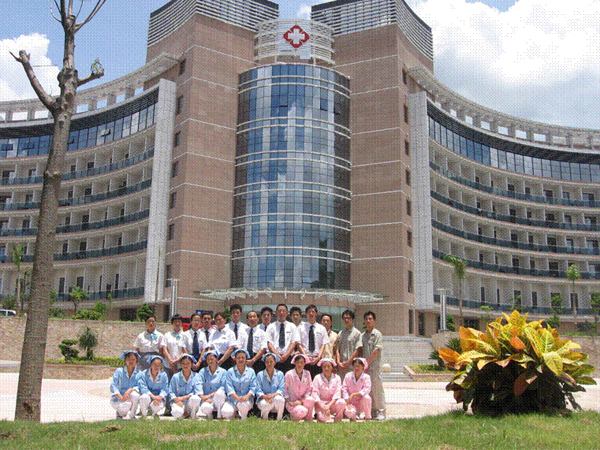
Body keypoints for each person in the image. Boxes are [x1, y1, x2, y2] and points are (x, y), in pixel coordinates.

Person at [350, 311, 385, 420]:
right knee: (366, 390)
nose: (368, 321)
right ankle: (370, 412)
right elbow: (359, 349)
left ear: (374, 321)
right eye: (366, 319)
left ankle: (381, 411)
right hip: (364, 368)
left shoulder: (377, 334)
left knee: (377, 389)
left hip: (374, 367)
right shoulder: (362, 336)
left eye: (370, 319)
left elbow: (376, 350)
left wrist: (367, 363)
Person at [222, 349, 257, 420]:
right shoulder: (230, 371)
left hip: (246, 400)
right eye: (238, 358)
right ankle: (234, 415)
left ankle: (243, 418)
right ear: (235, 359)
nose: (241, 360)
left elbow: (253, 387)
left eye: (243, 357)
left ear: (246, 359)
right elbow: (229, 388)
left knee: (243, 405)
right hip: (233, 400)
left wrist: (247, 396)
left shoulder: (251, 371)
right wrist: (237, 398)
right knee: (225, 412)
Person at [297, 304, 329, 377]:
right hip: (304, 360)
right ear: (306, 314)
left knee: (317, 379)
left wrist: (318, 357)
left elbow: (323, 344)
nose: (311, 314)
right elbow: (298, 344)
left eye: (313, 312)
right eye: (309, 312)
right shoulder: (301, 327)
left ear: (316, 313)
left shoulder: (321, 328)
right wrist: (305, 356)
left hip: (317, 359)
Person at [267, 303, 299, 373]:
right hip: (274, 358)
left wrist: (286, 355)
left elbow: (294, 342)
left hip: (288, 358)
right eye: (279, 311)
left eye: (283, 311)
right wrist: (277, 355)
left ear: (287, 313)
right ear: (276, 313)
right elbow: (269, 342)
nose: (281, 313)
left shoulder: (292, 326)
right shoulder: (271, 326)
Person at [109, 350, 141, 420]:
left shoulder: (139, 373)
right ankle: (120, 414)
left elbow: (140, 386)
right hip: (118, 398)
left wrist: (130, 390)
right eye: (128, 359)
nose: (131, 361)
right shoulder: (119, 371)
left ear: (136, 360)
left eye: (133, 359)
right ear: (125, 360)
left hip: (130, 396)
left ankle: (132, 415)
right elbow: (113, 385)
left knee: (136, 395)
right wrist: (122, 398)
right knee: (126, 404)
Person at [312, 358, 345, 423]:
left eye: (328, 366)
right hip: (321, 404)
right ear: (322, 368)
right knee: (323, 418)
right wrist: (322, 406)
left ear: (332, 367)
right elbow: (314, 393)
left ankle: (337, 418)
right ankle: (323, 415)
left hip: (332, 404)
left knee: (341, 402)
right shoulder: (317, 378)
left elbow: (337, 393)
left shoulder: (337, 378)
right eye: (324, 367)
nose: (326, 368)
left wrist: (329, 405)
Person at [197, 350, 227, 419]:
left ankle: (219, 415)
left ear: (216, 359)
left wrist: (209, 396)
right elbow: (198, 384)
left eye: (212, 359)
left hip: (219, 399)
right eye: (208, 359)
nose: (210, 361)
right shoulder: (202, 371)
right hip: (206, 399)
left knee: (219, 393)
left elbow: (223, 387)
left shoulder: (223, 372)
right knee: (205, 407)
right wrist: (202, 397)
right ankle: (209, 416)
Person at [169, 354, 201, 419]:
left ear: (192, 364)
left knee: (195, 398)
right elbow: (171, 391)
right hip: (178, 402)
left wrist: (183, 398)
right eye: (183, 363)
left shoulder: (197, 376)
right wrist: (177, 400)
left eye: (188, 363)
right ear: (181, 364)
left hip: (190, 402)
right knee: (177, 412)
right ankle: (183, 414)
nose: (185, 365)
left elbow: (197, 391)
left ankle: (193, 415)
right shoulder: (175, 377)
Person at [284, 353, 315, 421]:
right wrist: (289, 402)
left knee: (310, 399)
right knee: (302, 411)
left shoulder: (307, 373)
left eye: (301, 362)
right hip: (292, 402)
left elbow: (309, 389)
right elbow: (285, 389)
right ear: (295, 363)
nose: (299, 364)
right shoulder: (289, 374)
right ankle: (294, 416)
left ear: (304, 363)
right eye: (297, 362)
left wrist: (301, 401)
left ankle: (308, 418)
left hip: (303, 400)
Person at [255, 353, 285, 420]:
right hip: (263, 399)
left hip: (275, 398)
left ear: (275, 362)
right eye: (267, 362)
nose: (269, 364)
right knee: (265, 404)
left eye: (271, 362)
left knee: (280, 399)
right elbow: (258, 389)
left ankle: (279, 418)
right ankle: (265, 418)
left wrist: (272, 395)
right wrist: (265, 397)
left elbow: (282, 389)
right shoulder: (260, 375)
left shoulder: (280, 374)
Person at [335, 309, 361, 379]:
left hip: (352, 366)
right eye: (344, 318)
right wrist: (338, 362)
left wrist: (348, 362)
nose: (346, 320)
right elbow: (337, 349)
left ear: (352, 319)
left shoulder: (357, 333)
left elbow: (357, 350)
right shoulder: (340, 333)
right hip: (341, 366)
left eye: (348, 318)